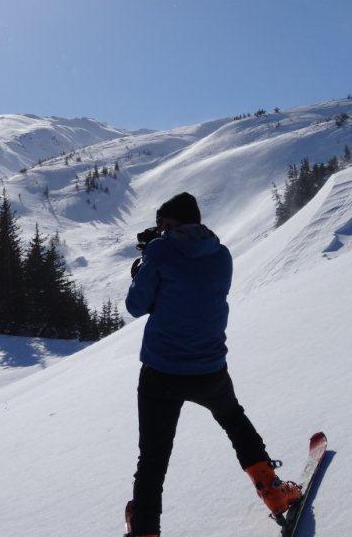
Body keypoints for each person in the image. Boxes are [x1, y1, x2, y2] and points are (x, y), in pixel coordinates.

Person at [124, 192, 301, 537]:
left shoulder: (159, 251)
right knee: (236, 423)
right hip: (209, 369)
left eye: (162, 224)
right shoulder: (222, 255)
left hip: (161, 371)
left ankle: (145, 530)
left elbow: (136, 305)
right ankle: (274, 492)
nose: (159, 230)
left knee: (153, 459)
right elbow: (194, 291)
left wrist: (146, 262)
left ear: (171, 223)